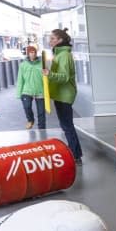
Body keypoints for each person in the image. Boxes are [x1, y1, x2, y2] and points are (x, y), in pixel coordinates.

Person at [42, 29, 83, 165]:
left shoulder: (64, 55)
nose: (50, 41)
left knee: (67, 126)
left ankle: (75, 155)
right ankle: (76, 154)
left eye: (53, 38)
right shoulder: (59, 54)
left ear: (60, 40)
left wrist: (49, 74)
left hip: (64, 95)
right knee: (66, 125)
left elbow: (64, 77)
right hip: (61, 94)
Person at [15, 45, 45, 129]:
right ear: (28, 53)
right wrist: (18, 93)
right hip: (27, 91)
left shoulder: (42, 64)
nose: (33, 54)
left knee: (41, 112)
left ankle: (42, 128)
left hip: (40, 91)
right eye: (31, 52)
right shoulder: (23, 65)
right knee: (27, 106)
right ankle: (30, 120)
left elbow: (47, 78)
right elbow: (20, 79)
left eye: (35, 52)